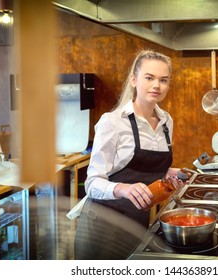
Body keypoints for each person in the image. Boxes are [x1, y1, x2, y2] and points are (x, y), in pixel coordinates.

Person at [74, 49, 185, 259]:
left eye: (164, 80)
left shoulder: (166, 122)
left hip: (137, 222)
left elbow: (144, 169)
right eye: (149, 78)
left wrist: (167, 174)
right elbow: (92, 183)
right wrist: (123, 189)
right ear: (134, 80)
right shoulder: (113, 122)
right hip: (103, 224)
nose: (157, 85)